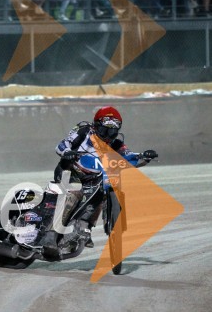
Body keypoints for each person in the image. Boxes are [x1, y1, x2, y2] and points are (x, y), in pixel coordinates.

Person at [36, 106, 158, 253]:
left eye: (112, 131)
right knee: (74, 192)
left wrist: (144, 156)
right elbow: (63, 144)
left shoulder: (116, 143)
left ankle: (84, 228)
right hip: (70, 171)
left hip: (93, 178)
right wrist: (67, 152)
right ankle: (50, 235)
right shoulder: (83, 131)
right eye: (105, 130)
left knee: (101, 192)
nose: (108, 135)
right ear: (96, 125)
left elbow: (128, 155)